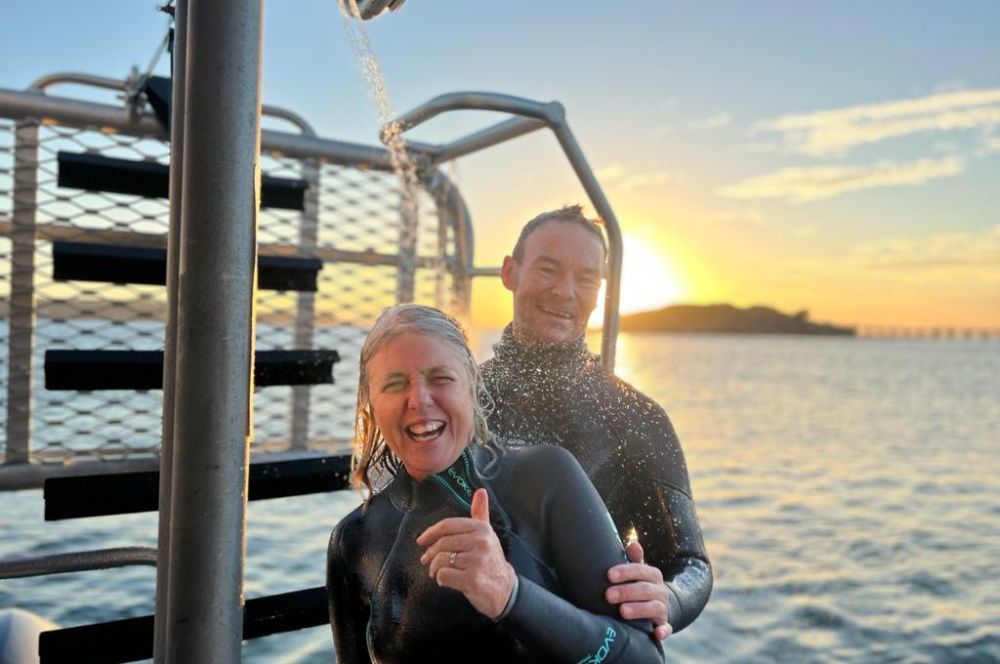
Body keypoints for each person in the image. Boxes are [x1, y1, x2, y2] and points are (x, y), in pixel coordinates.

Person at [326, 304, 664, 663]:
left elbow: (642, 657)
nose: (419, 400)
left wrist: (510, 595)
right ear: (371, 407)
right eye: (394, 384)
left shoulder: (546, 477)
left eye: (440, 378)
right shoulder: (354, 539)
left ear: (471, 388)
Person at [481, 205, 713, 640]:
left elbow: (691, 565)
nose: (566, 291)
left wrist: (668, 598)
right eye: (548, 269)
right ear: (510, 272)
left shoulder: (636, 416)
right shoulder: (458, 400)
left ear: (600, 289)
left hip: (581, 646)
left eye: (586, 278)